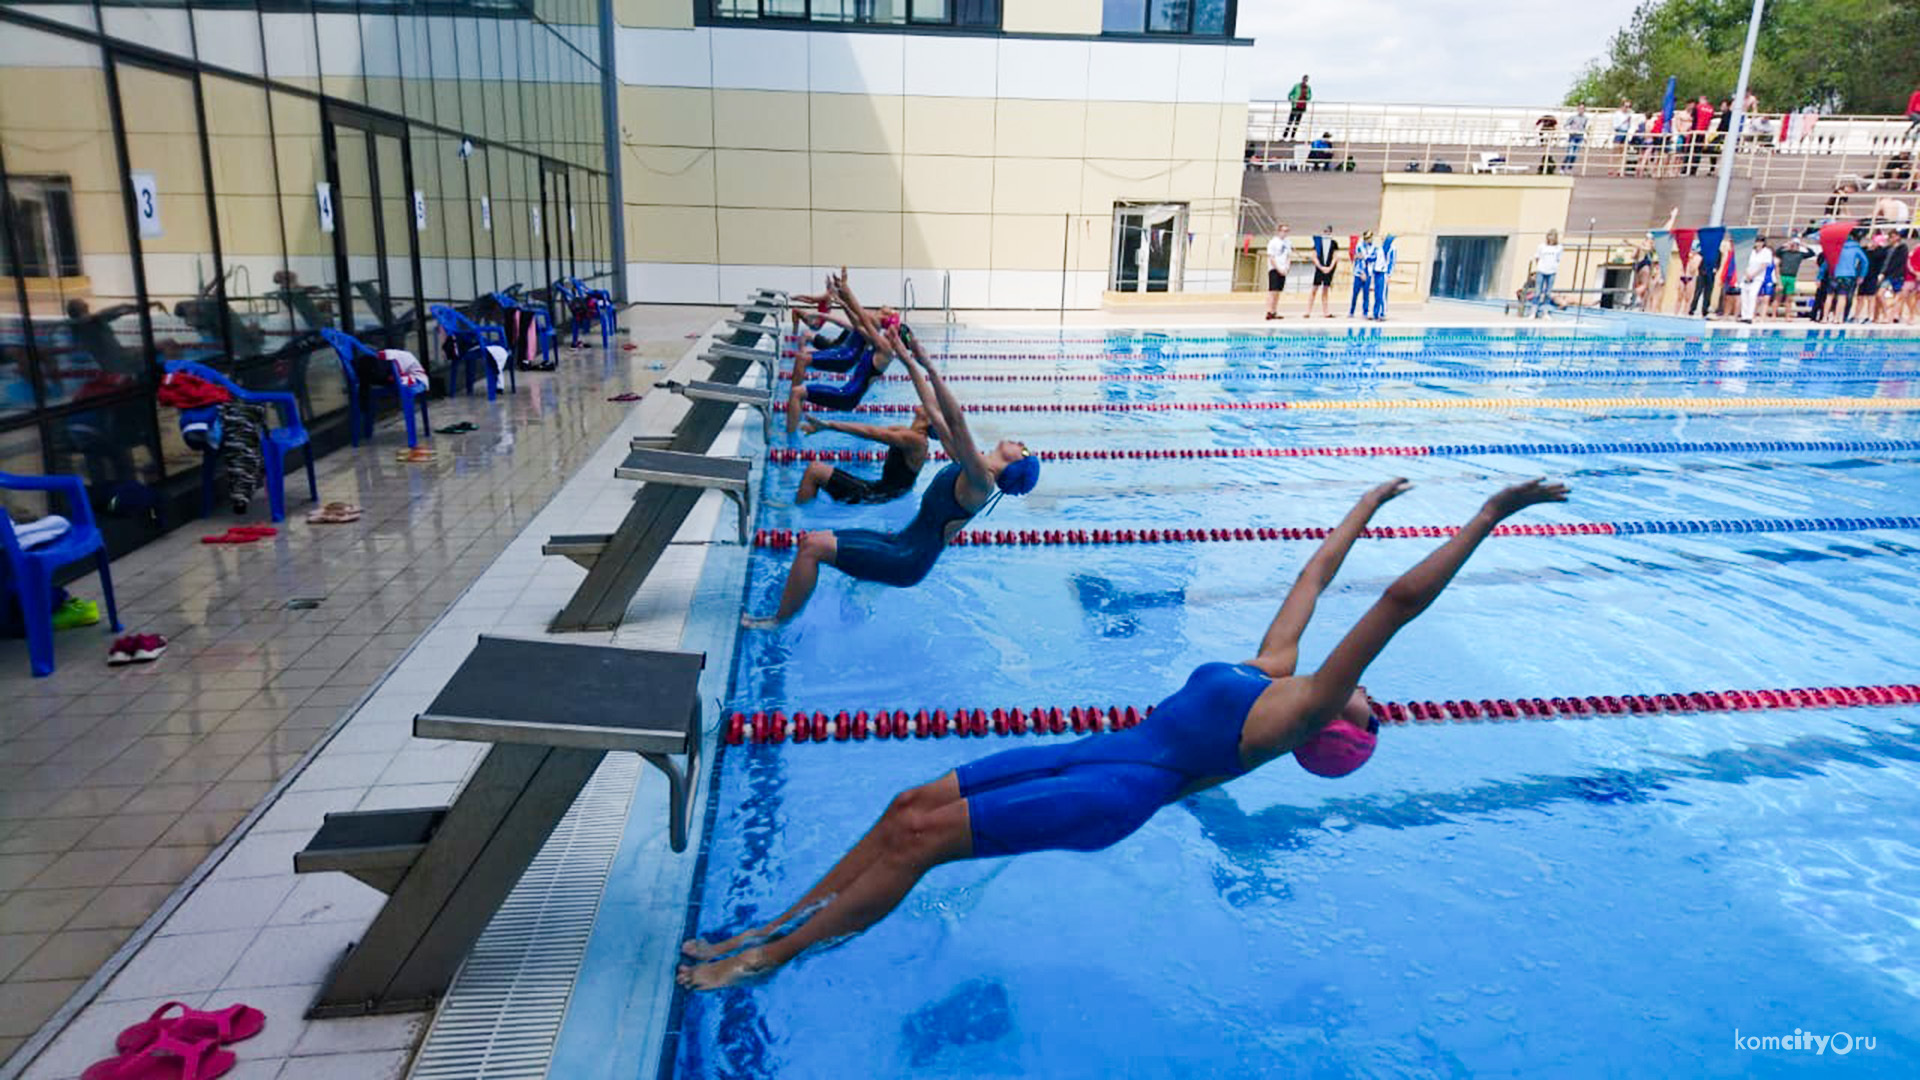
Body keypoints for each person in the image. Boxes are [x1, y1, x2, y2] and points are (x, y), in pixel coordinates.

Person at [679, 476, 1572, 990]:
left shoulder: (1299, 712)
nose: (1378, 696)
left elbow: (1397, 603)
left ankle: (772, 956)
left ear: (1339, 729)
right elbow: (1319, 571)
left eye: (1374, 709)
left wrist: (1488, 518)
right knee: (906, 800)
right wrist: (1366, 505)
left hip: (1117, 789)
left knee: (918, 840)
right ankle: (781, 919)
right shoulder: (1274, 669)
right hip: (1101, 751)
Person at [744, 328, 1038, 628]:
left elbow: (957, 422)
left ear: (1016, 465)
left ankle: (776, 623)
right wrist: (910, 361)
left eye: (1024, 448)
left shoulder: (981, 483)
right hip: (900, 542)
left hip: (906, 560)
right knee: (811, 542)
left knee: (811, 548)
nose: (1019, 441)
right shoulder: (967, 465)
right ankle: (850, 609)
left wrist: (930, 367)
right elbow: (937, 416)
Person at [783, 274, 897, 435]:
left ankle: (789, 437)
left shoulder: (881, 342)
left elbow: (862, 318)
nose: (888, 306)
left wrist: (845, 290)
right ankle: (792, 416)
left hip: (847, 389)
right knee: (799, 379)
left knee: (798, 387)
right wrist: (843, 302)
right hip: (847, 388)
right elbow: (857, 323)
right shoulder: (877, 343)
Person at [793, 409, 932, 507]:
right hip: (884, 492)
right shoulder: (906, 432)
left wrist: (829, 425)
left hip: (878, 496)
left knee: (814, 471)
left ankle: (800, 512)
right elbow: (870, 429)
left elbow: (871, 433)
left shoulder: (916, 440)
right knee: (815, 470)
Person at [1771, 233, 1811, 318]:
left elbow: (1812, 253)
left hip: (1792, 277)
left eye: (1796, 245)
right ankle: (1774, 315)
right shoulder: (1784, 253)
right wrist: (1786, 244)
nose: (1794, 247)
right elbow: (1777, 252)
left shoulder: (1800, 254)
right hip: (1783, 276)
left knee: (1789, 299)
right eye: (1793, 245)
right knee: (1778, 297)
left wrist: (1804, 245)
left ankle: (1787, 315)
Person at [1528, 229, 1563, 318]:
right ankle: (1533, 312)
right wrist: (1540, 266)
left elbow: (1558, 259)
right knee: (1538, 292)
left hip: (1552, 272)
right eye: (1549, 236)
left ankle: (1545, 312)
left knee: (1548, 293)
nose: (1551, 238)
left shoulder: (1559, 248)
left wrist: (1553, 267)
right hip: (1541, 271)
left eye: (1553, 236)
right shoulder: (1542, 246)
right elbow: (1537, 257)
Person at [1877, 230, 1910, 323]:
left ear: (1897, 237)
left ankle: (1894, 315)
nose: (1891, 239)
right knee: (1880, 294)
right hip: (1887, 275)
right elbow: (1883, 261)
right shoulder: (1887, 249)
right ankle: (1886, 313)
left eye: (1893, 237)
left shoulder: (1903, 248)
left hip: (1898, 274)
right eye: (1890, 237)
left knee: (1898, 296)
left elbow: (1900, 262)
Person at [1739, 236, 1774, 323]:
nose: (1758, 244)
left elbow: (1764, 265)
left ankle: (1749, 316)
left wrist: (1753, 275)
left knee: (1752, 295)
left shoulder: (1767, 252)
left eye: (1760, 242)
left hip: (1758, 277)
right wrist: (1747, 274)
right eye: (1757, 241)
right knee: (1744, 296)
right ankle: (1744, 315)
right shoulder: (1750, 251)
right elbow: (1743, 262)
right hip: (1746, 275)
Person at [1307, 226, 1339, 318]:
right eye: (1325, 231)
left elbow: (1335, 257)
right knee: (1314, 289)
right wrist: (1321, 267)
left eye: (1328, 231)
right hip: (1319, 269)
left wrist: (1330, 268)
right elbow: (1314, 257)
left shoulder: (1334, 243)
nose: (1326, 233)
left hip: (1329, 269)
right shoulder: (1318, 243)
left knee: (1325, 290)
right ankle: (1308, 311)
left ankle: (1326, 312)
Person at [1264, 224, 1294, 320]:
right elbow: (1271, 257)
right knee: (1272, 290)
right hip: (1274, 268)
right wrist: (1278, 268)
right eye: (1283, 231)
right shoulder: (1273, 242)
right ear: (1279, 231)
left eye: (1287, 231)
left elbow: (1288, 256)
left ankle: (1274, 311)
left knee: (1278, 292)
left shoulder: (1288, 242)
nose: (1285, 233)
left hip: (1283, 268)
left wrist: (1287, 267)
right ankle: (1269, 311)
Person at [1349, 231, 1376, 318]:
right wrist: (1362, 272)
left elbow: (1373, 258)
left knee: (1366, 294)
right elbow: (1360, 260)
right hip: (1359, 273)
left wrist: (1366, 258)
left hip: (1369, 272)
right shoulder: (1360, 246)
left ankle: (1365, 311)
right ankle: (1351, 311)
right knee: (1355, 293)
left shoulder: (1374, 247)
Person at [1284, 75, 1311, 140]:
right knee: (1290, 121)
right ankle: (1284, 136)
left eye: (1306, 79)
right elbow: (1290, 93)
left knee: (1297, 122)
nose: (1305, 80)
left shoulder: (1308, 87)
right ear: (1302, 79)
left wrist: (1307, 97)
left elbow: (1309, 96)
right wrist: (1291, 99)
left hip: (1302, 106)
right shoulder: (1296, 86)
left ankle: (1292, 137)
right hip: (1295, 106)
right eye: (1304, 79)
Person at [1563, 104, 1590, 168]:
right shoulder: (1573, 117)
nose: (1581, 110)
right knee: (1570, 153)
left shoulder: (1586, 118)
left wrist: (1585, 136)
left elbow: (1585, 127)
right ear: (1577, 109)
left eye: (1583, 109)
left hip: (1580, 136)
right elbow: (1565, 125)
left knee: (1575, 154)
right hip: (1572, 136)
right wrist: (1570, 130)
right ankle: (1563, 167)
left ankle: (1570, 167)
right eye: (1580, 108)